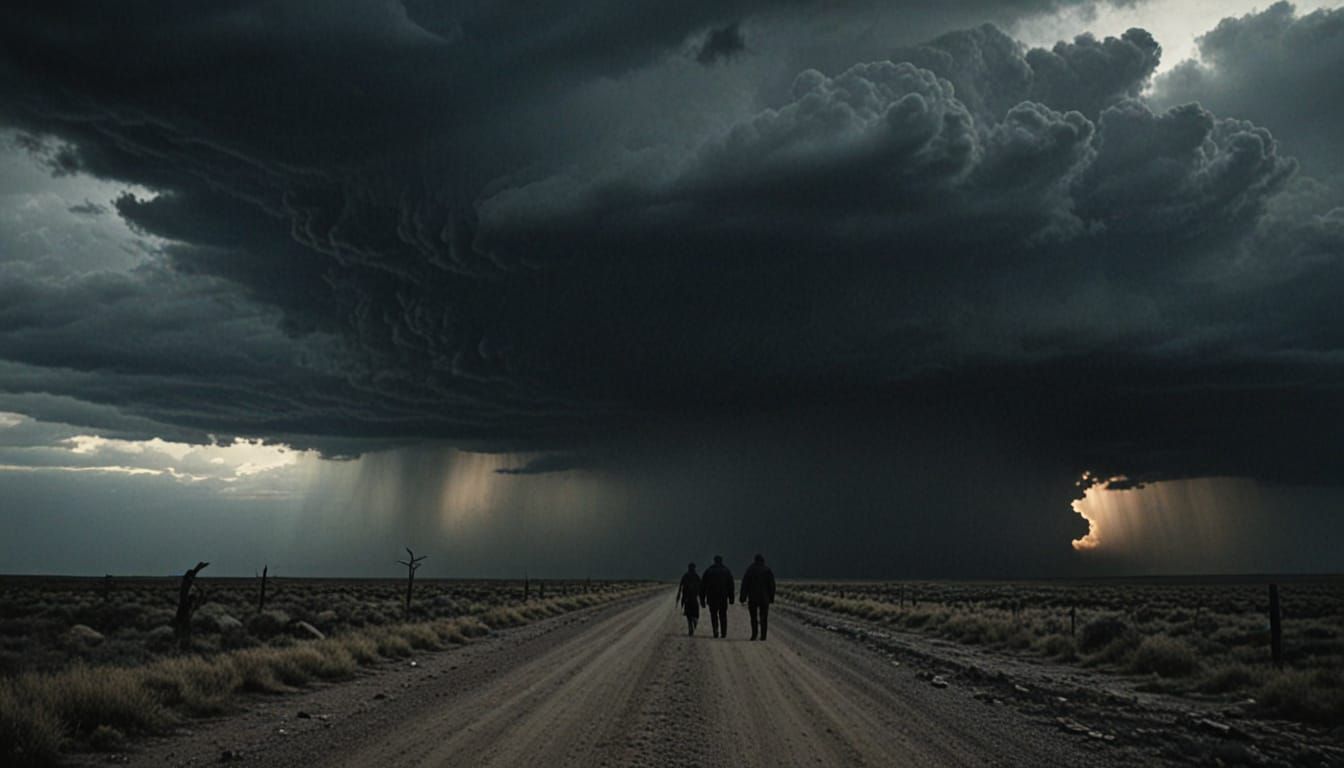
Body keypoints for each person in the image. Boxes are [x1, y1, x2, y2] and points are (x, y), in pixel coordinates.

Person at [739, 553, 776, 641]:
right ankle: (763, 636)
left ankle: (754, 634)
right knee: (764, 617)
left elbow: (745, 584)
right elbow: (772, 585)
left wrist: (743, 597)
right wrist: (771, 597)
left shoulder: (750, 570)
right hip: (764, 598)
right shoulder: (767, 570)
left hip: (753, 598)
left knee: (753, 617)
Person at [699, 555, 735, 639]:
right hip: (723, 597)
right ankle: (723, 632)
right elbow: (731, 585)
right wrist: (731, 597)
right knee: (723, 615)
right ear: (721, 561)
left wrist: (702, 599)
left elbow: (702, 586)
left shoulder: (708, 571)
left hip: (712, 597)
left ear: (714, 561)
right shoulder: (726, 571)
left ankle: (715, 631)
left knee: (714, 615)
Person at [675, 562, 702, 636]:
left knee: (688, 614)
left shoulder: (685, 576)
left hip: (686, 598)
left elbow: (680, 587)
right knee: (695, 613)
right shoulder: (696, 576)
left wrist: (678, 597)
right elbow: (701, 587)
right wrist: (701, 596)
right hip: (693, 598)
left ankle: (691, 626)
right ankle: (694, 623)